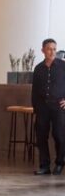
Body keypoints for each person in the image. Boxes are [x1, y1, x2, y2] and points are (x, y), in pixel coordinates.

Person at [32, 38, 65, 175]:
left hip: (59, 107)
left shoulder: (63, 66)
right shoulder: (38, 69)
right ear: (43, 51)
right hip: (42, 108)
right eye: (49, 49)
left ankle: (59, 163)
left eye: (54, 49)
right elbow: (34, 90)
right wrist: (36, 108)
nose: (52, 52)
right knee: (41, 136)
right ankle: (44, 165)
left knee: (59, 135)